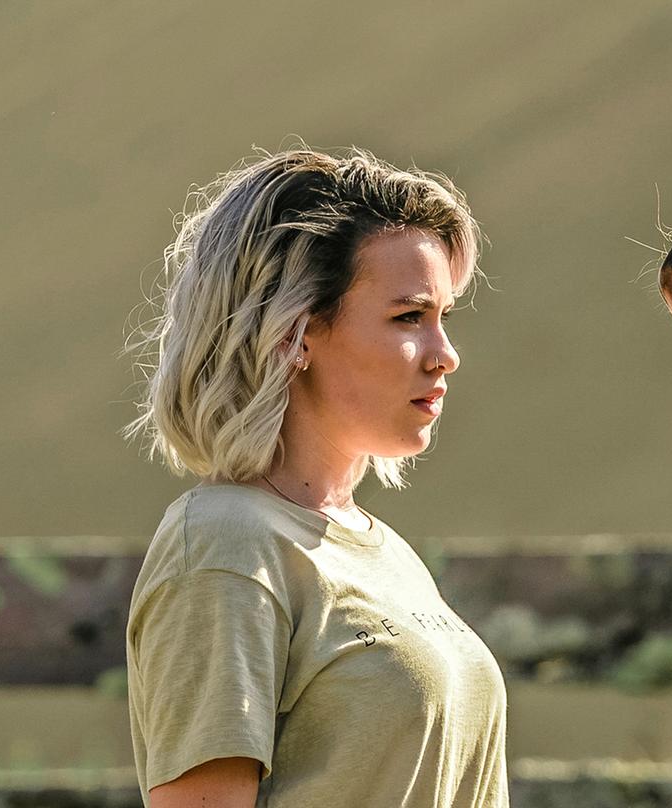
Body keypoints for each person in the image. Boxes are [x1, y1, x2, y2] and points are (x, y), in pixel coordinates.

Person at [122, 147, 506, 807]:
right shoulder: (224, 547)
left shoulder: (384, 553)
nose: (445, 355)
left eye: (445, 318)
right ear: (297, 332)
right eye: (408, 317)